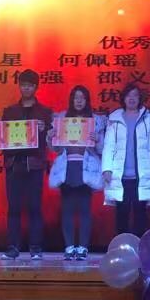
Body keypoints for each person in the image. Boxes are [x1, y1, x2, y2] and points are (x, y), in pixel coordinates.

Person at [48, 85, 105, 261]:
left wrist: (98, 139)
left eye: (82, 98)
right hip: (67, 166)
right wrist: (51, 137)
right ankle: (69, 246)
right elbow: (55, 149)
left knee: (85, 209)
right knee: (67, 209)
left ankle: (83, 248)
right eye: (76, 98)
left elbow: (102, 148)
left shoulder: (95, 120)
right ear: (71, 100)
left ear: (87, 100)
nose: (79, 101)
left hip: (86, 166)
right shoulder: (62, 118)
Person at [0, 70, 53, 260]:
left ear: (36, 87)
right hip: (14, 163)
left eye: (30, 85)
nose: (26, 88)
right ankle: (12, 247)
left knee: (34, 207)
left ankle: (35, 247)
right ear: (19, 86)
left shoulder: (45, 112)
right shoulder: (10, 111)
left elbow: (53, 140)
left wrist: (45, 129)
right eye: (23, 85)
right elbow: (3, 138)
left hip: (35, 164)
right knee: (14, 208)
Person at [102, 82, 150, 236]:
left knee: (140, 213)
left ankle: (138, 245)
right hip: (120, 174)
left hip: (141, 174)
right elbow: (109, 146)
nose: (132, 98)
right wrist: (107, 168)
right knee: (121, 213)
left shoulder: (148, 118)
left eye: (135, 95)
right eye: (128, 95)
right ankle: (121, 246)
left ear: (140, 98)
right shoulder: (114, 118)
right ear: (123, 98)